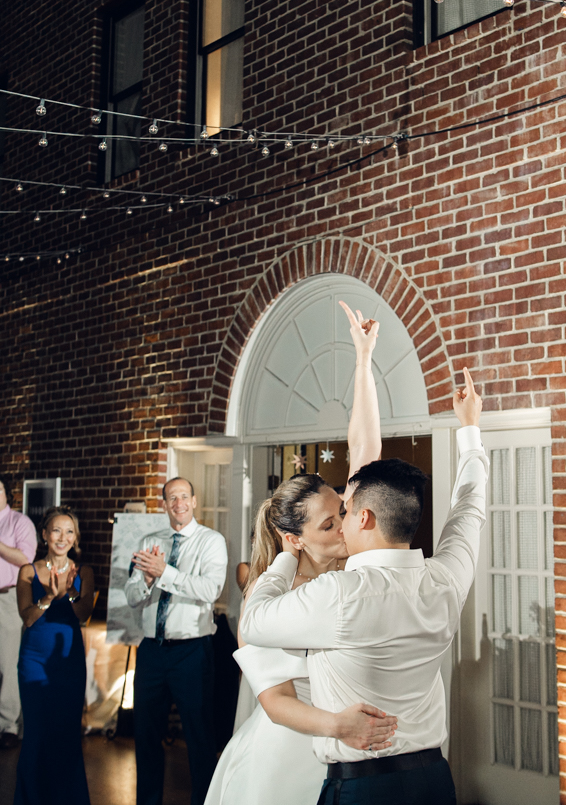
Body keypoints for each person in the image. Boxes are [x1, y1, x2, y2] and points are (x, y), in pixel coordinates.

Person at [241, 366, 488, 805]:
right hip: (434, 780)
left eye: (347, 508)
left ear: (364, 519)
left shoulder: (339, 594)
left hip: (364, 785)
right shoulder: (448, 577)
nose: (341, 519)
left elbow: (256, 622)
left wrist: (285, 554)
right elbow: (470, 505)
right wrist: (470, 429)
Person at [204, 301, 395, 805]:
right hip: (290, 757)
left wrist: (362, 360)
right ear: (295, 539)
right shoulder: (271, 599)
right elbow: (276, 702)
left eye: (344, 513)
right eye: (330, 523)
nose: (348, 526)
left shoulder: (354, 561)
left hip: (354, 755)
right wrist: (338, 726)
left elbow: (365, 454)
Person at [125, 477, 228, 805]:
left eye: (184, 496)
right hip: (151, 651)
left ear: (194, 502)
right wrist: (145, 578)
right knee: (145, 736)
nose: (179, 503)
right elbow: (130, 596)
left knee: (198, 737)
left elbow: (210, 590)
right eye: (172, 498)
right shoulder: (150, 540)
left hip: (192, 652)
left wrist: (165, 572)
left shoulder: (211, 541)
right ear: (164, 504)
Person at [13, 507, 95, 805]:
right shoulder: (28, 571)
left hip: (68, 660)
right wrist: (48, 596)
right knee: (36, 733)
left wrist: (70, 592)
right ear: (45, 535)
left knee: (67, 733)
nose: (63, 537)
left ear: (75, 538)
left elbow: (84, 614)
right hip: (34, 659)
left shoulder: (83, 572)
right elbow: (28, 618)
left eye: (69, 532)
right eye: (57, 531)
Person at [0, 475, 37, 749]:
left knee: (4, 665)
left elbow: (26, 560)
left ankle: (7, 726)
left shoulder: (19, 523)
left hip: (4, 598)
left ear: (7, 496)